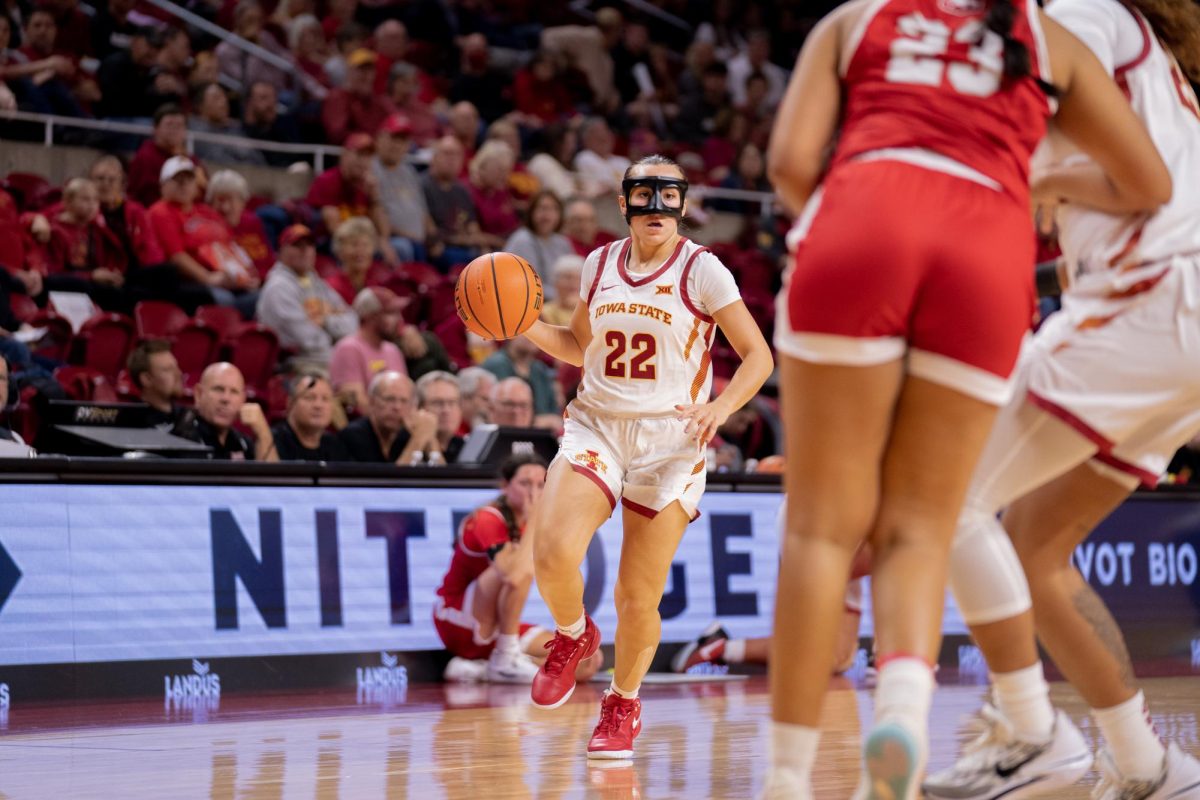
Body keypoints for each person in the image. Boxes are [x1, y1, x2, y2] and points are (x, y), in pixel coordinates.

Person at [761, 0, 1172, 796]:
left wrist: (857, 228)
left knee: (820, 528)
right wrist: (1036, 172)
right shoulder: (1045, 36)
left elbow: (787, 163)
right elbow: (1146, 181)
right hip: (986, 246)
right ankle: (903, 720)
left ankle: (786, 778)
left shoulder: (855, 19)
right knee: (924, 523)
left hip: (869, 212)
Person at [923, 2, 1200, 798]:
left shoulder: (1079, 9)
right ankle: (1149, 764)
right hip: (1171, 326)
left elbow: (1140, 183)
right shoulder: (1137, 51)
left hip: (1154, 302)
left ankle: (1030, 732)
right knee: (1034, 549)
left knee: (945, 498)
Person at [518, 154, 772, 758]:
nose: (656, 206)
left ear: (683, 204)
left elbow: (758, 357)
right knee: (551, 552)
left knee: (638, 596)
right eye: (643, 193)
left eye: (668, 194)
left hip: (671, 443)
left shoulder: (703, 270)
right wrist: (524, 324)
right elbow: (581, 348)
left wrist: (723, 407)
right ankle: (574, 635)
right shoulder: (599, 263)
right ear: (625, 202)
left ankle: (623, 702)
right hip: (598, 427)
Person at [434, 454, 605, 683]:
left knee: (586, 659)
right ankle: (505, 657)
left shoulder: (540, 522)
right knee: (518, 570)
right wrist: (535, 517)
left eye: (541, 485)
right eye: (525, 484)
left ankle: (485, 669)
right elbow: (514, 577)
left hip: (500, 627)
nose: (534, 492)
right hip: (457, 619)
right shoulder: (488, 518)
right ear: (505, 486)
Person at [257, 224, 358, 368]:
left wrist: (325, 321)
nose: (305, 251)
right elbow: (306, 341)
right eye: (297, 245)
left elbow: (353, 323)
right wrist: (334, 323)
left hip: (325, 358)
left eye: (310, 245)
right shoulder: (278, 288)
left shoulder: (316, 282)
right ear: (280, 251)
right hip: (298, 365)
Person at [330, 285, 408, 412]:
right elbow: (357, 405)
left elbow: (405, 395)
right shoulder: (349, 348)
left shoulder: (393, 350)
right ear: (370, 316)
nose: (399, 319)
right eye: (390, 313)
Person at [182, 362, 278, 461]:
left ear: (243, 400)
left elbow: (271, 475)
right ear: (199, 394)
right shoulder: (181, 439)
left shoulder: (242, 443)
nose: (226, 398)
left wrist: (263, 432)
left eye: (234, 391)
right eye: (218, 389)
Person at [336, 370, 435, 464]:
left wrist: (430, 440)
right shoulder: (353, 435)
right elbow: (389, 481)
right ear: (372, 402)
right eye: (389, 399)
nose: (397, 407)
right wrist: (418, 440)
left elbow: (444, 479)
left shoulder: (407, 433)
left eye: (404, 401)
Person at [373, 113, 432, 263]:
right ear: (380, 138)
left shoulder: (410, 171)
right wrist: (410, 235)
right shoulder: (371, 170)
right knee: (403, 247)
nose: (397, 145)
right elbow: (374, 212)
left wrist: (433, 237)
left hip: (419, 242)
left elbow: (423, 211)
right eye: (394, 138)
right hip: (393, 239)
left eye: (403, 140)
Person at [503, 191, 575, 298]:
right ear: (531, 212)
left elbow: (575, 277)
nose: (547, 216)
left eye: (553, 209)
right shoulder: (522, 240)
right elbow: (530, 286)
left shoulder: (563, 242)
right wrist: (565, 297)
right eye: (542, 209)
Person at [482, 340, 561, 429]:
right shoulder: (496, 365)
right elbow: (487, 410)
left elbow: (554, 412)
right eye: (527, 331)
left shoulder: (539, 369)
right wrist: (534, 421)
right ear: (511, 334)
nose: (532, 337)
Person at [270, 371, 347, 461]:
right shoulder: (273, 442)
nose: (318, 405)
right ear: (290, 403)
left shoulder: (336, 445)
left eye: (325, 399)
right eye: (309, 398)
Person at [128, 104, 194, 206]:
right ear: (155, 128)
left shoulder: (191, 160)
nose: (175, 130)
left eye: (179, 125)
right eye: (169, 125)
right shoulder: (145, 158)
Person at [126, 338, 186, 430]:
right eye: (168, 369)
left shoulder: (188, 418)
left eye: (176, 367)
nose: (179, 374)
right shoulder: (132, 425)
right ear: (147, 379)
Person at [416, 370, 465, 464]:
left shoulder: (465, 447)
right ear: (420, 408)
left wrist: (432, 445)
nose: (446, 410)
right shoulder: (403, 443)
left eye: (452, 402)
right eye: (437, 403)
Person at [540, 255, 583, 326]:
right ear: (556, 282)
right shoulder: (544, 312)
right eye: (568, 278)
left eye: (578, 279)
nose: (573, 284)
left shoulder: (591, 309)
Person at [457, 366, 495, 433]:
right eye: (485, 399)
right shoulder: (451, 431)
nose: (491, 405)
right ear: (465, 398)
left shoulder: (492, 429)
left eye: (492, 400)